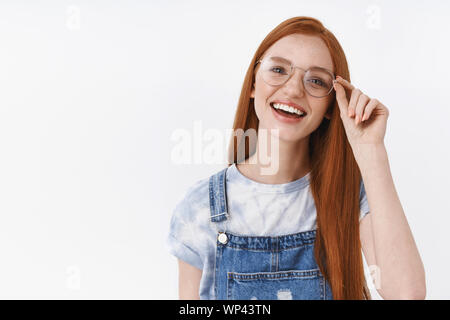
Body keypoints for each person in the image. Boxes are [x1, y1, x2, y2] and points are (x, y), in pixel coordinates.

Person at [166, 16, 426, 300]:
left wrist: (371, 150)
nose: (292, 89)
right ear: (253, 85)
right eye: (278, 70)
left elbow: (406, 294)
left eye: (316, 80)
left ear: (331, 105)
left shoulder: (349, 194)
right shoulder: (201, 205)